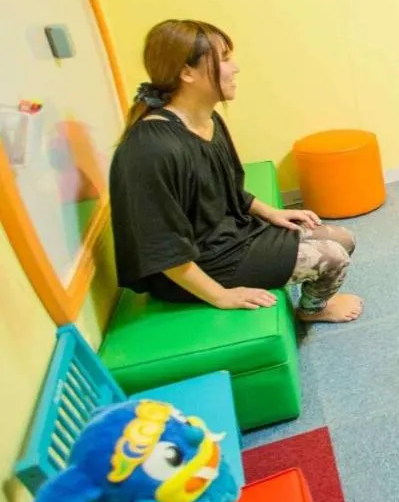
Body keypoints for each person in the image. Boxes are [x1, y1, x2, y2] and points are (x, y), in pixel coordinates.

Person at [108, 19, 363, 323]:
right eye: (224, 58)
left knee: (344, 238)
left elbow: (226, 190)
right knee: (333, 258)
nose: (235, 68)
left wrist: (271, 213)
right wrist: (221, 295)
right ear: (187, 72)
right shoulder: (151, 149)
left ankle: (309, 295)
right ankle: (312, 311)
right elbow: (162, 247)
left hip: (232, 236)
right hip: (196, 267)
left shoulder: (208, 120)